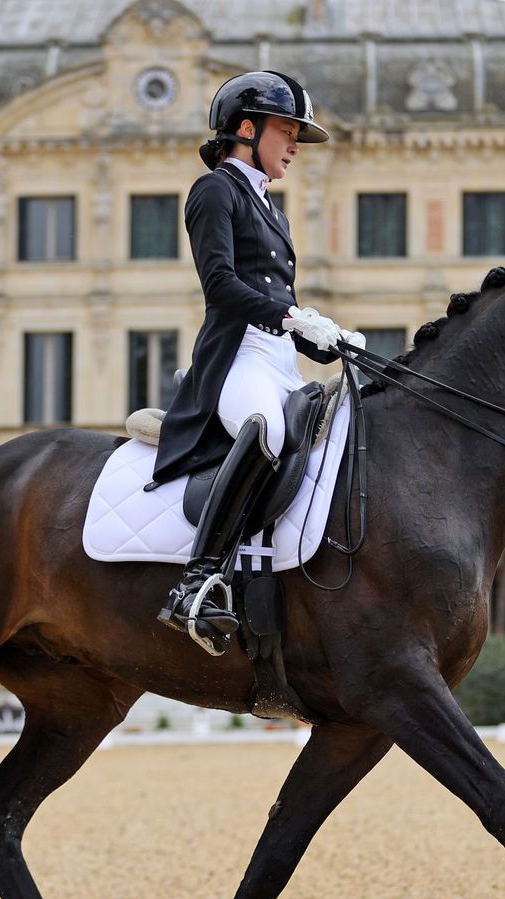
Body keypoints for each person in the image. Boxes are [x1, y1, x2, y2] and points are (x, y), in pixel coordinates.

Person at [151, 71, 360, 652]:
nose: (295, 145)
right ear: (247, 129)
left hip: (276, 358)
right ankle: (196, 582)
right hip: (237, 357)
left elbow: (281, 305)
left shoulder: (274, 210)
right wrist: (293, 318)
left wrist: (330, 340)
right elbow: (220, 286)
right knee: (266, 431)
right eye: (287, 131)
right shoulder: (214, 191)